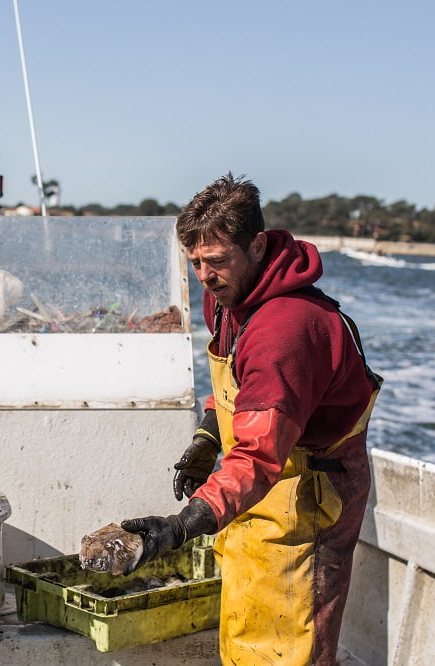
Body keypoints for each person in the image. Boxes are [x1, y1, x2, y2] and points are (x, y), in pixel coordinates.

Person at [85, 173, 382, 665]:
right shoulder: (227, 296)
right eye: (194, 261)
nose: (204, 275)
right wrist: (208, 432)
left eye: (217, 260)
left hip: (308, 499)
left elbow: (259, 454)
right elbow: (237, 389)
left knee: (289, 643)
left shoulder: (286, 331)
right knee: (246, 620)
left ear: (258, 245)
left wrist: (179, 527)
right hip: (257, 493)